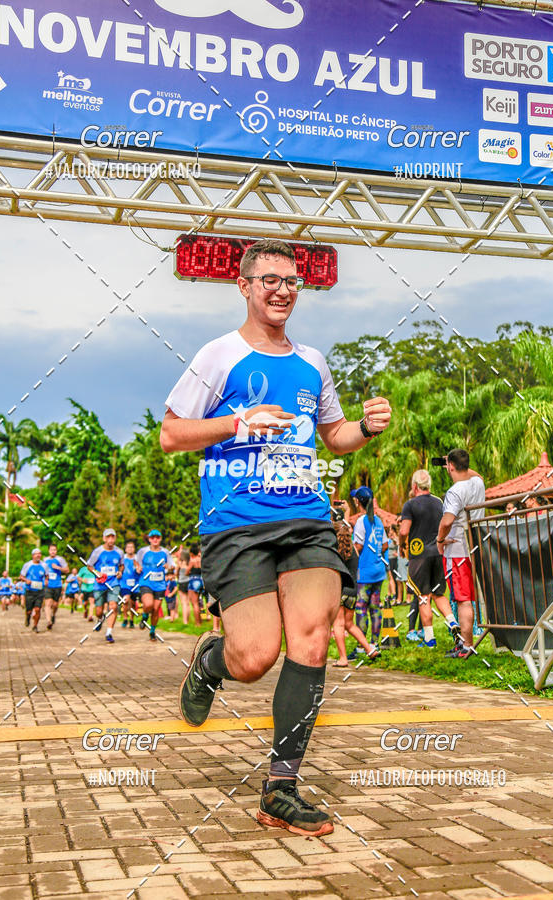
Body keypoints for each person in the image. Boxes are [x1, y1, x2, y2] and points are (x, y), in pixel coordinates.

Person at [160, 237, 391, 837]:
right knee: (254, 657)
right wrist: (239, 421)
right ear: (244, 285)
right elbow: (171, 434)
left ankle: (281, 789)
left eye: (292, 280)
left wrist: (364, 427)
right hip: (237, 526)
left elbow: (333, 434)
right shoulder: (218, 356)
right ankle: (213, 660)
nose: (283, 289)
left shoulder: (313, 361)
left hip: (308, 519)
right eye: (270, 279)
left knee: (311, 639)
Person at [399, 469, 461, 649]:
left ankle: (429, 639)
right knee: (439, 593)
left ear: (414, 486)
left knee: (423, 596)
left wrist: (403, 544)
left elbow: (403, 531)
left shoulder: (410, 505)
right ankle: (453, 624)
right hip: (438, 553)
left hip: (420, 556)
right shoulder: (439, 502)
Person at [437, 449, 486, 658]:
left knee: (463, 599)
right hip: (474, 547)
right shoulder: (477, 483)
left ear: (450, 467)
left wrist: (439, 540)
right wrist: (458, 464)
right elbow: (477, 476)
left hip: (457, 550)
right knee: (469, 597)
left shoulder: (455, 491)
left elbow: (447, 520)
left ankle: (466, 646)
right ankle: (469, 642)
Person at [330, 502, 380, 666]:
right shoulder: (352, 550)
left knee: (339, 624)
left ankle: (343, 658)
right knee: (349, 624)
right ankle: (370, 649)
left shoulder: (334, 551)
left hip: (339, 590)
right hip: (352, 591)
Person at [351, 487, 387, 655]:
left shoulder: (361, 521)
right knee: (375, 608)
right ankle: (375, 643)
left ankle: (361, 646)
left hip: (365, 571)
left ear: (357, 501)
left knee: (360, 607)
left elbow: (357, 546)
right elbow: (385, 544)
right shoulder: (378, 520)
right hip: (379, 570)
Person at [87, 529, 124, 644]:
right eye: (108, 537)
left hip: (113, 583)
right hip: (100, 584)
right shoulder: (97, 552)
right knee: (98, 610)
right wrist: (97, 573)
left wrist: (120, 572)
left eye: (113, 537)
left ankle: (109, 632)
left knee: (113, 606)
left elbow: (121, 565)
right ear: (104, 538)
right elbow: (89, 565)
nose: (110, 540)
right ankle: (100, 618)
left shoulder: (119, 552)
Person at [136, 530, 173, 642]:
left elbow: (172, 566)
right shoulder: (143, 551)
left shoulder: (165, 552)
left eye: (157, 537)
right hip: (146, 582)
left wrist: (169, 567)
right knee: (148, 604)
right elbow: (136, 562)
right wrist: (137, 568)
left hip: (160, 585)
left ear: (160, 538)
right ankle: (145, 616)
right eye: (153, 538)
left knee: (156, 609)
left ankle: (152, 631)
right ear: (149, 539)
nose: (155, 539)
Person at [19, 548, 48, 632]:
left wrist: (46, 581)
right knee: (29, 610)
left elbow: (47, 575)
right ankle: (27, 617)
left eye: (39, 553)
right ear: (32, 555)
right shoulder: (27, 565)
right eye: (36, 554)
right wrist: (26, 580)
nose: (38, 555)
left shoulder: (44, 565)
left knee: (38, 609)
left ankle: (35, 626)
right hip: (29, 590)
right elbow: (21, 576)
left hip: (40, 590)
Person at [43, 543, 69, 630]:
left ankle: (53, 615)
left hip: (57, 584)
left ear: (56, 551)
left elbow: (67, 570)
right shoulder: (45, 560)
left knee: (55, 604)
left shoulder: (60, 559)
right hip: (48, 585)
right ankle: (49, 621)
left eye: (54, 550)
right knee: (48, 603)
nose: (53, 552)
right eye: (51, 550)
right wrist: (45, 579)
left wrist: (58, 568)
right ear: (49, 551)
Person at [120, 540, 139, 629]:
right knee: (125, 600)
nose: (130, 549)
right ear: (125, 549)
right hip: (124, 583)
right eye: (128, 547)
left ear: (134, 549)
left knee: (133, 602)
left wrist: (137, 567)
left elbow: (140, 569)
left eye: (132, 547)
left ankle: (131, 619)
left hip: (135, 584)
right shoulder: (122, 558)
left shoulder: (137, 558)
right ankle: (125, 618)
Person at [186, 544, 204, 627]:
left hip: (194, 580)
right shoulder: (201, 559)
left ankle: (198, 623)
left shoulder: (192, 560)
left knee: (195, 603)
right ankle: (200, 620)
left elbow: (187, 571)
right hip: (201, 580)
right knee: (199, 601)